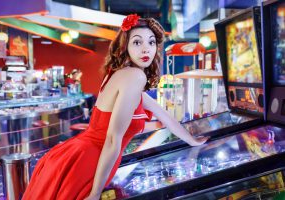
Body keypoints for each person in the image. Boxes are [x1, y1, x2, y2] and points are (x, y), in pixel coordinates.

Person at [22, 14, 209, 200]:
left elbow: (163, 114)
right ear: (125, 46)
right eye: (137, 42)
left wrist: (192, 140)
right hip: (90, 162)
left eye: (151, 42)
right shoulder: (135, 76)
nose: (146, 49)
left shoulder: (119, 74)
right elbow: (112, 139)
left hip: (80, 155)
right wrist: (95, 194)